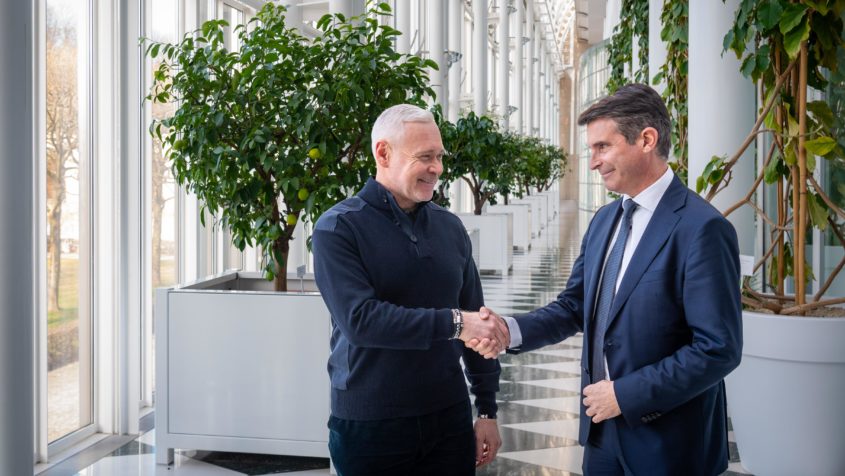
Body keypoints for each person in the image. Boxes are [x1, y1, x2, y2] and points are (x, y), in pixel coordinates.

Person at [470, 83, 742, 475]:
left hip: (671, 446)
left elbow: (718, 348)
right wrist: (508, 331)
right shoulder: (604, 221)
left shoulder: (702, 228)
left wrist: (624, 395)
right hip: (602, 436)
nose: (593, 162)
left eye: (603, 147)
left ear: (646, 139)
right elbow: (574, 306)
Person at [311, 104, 508, 475]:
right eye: (424, 157)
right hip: (370, 427)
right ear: (383, 153)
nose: (437, 168)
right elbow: (361, 321)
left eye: (439, 156)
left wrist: (486, 409)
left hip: (447, 418)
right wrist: (455, 324)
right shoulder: (338, 228)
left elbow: (475, 318)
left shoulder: (451, 228)